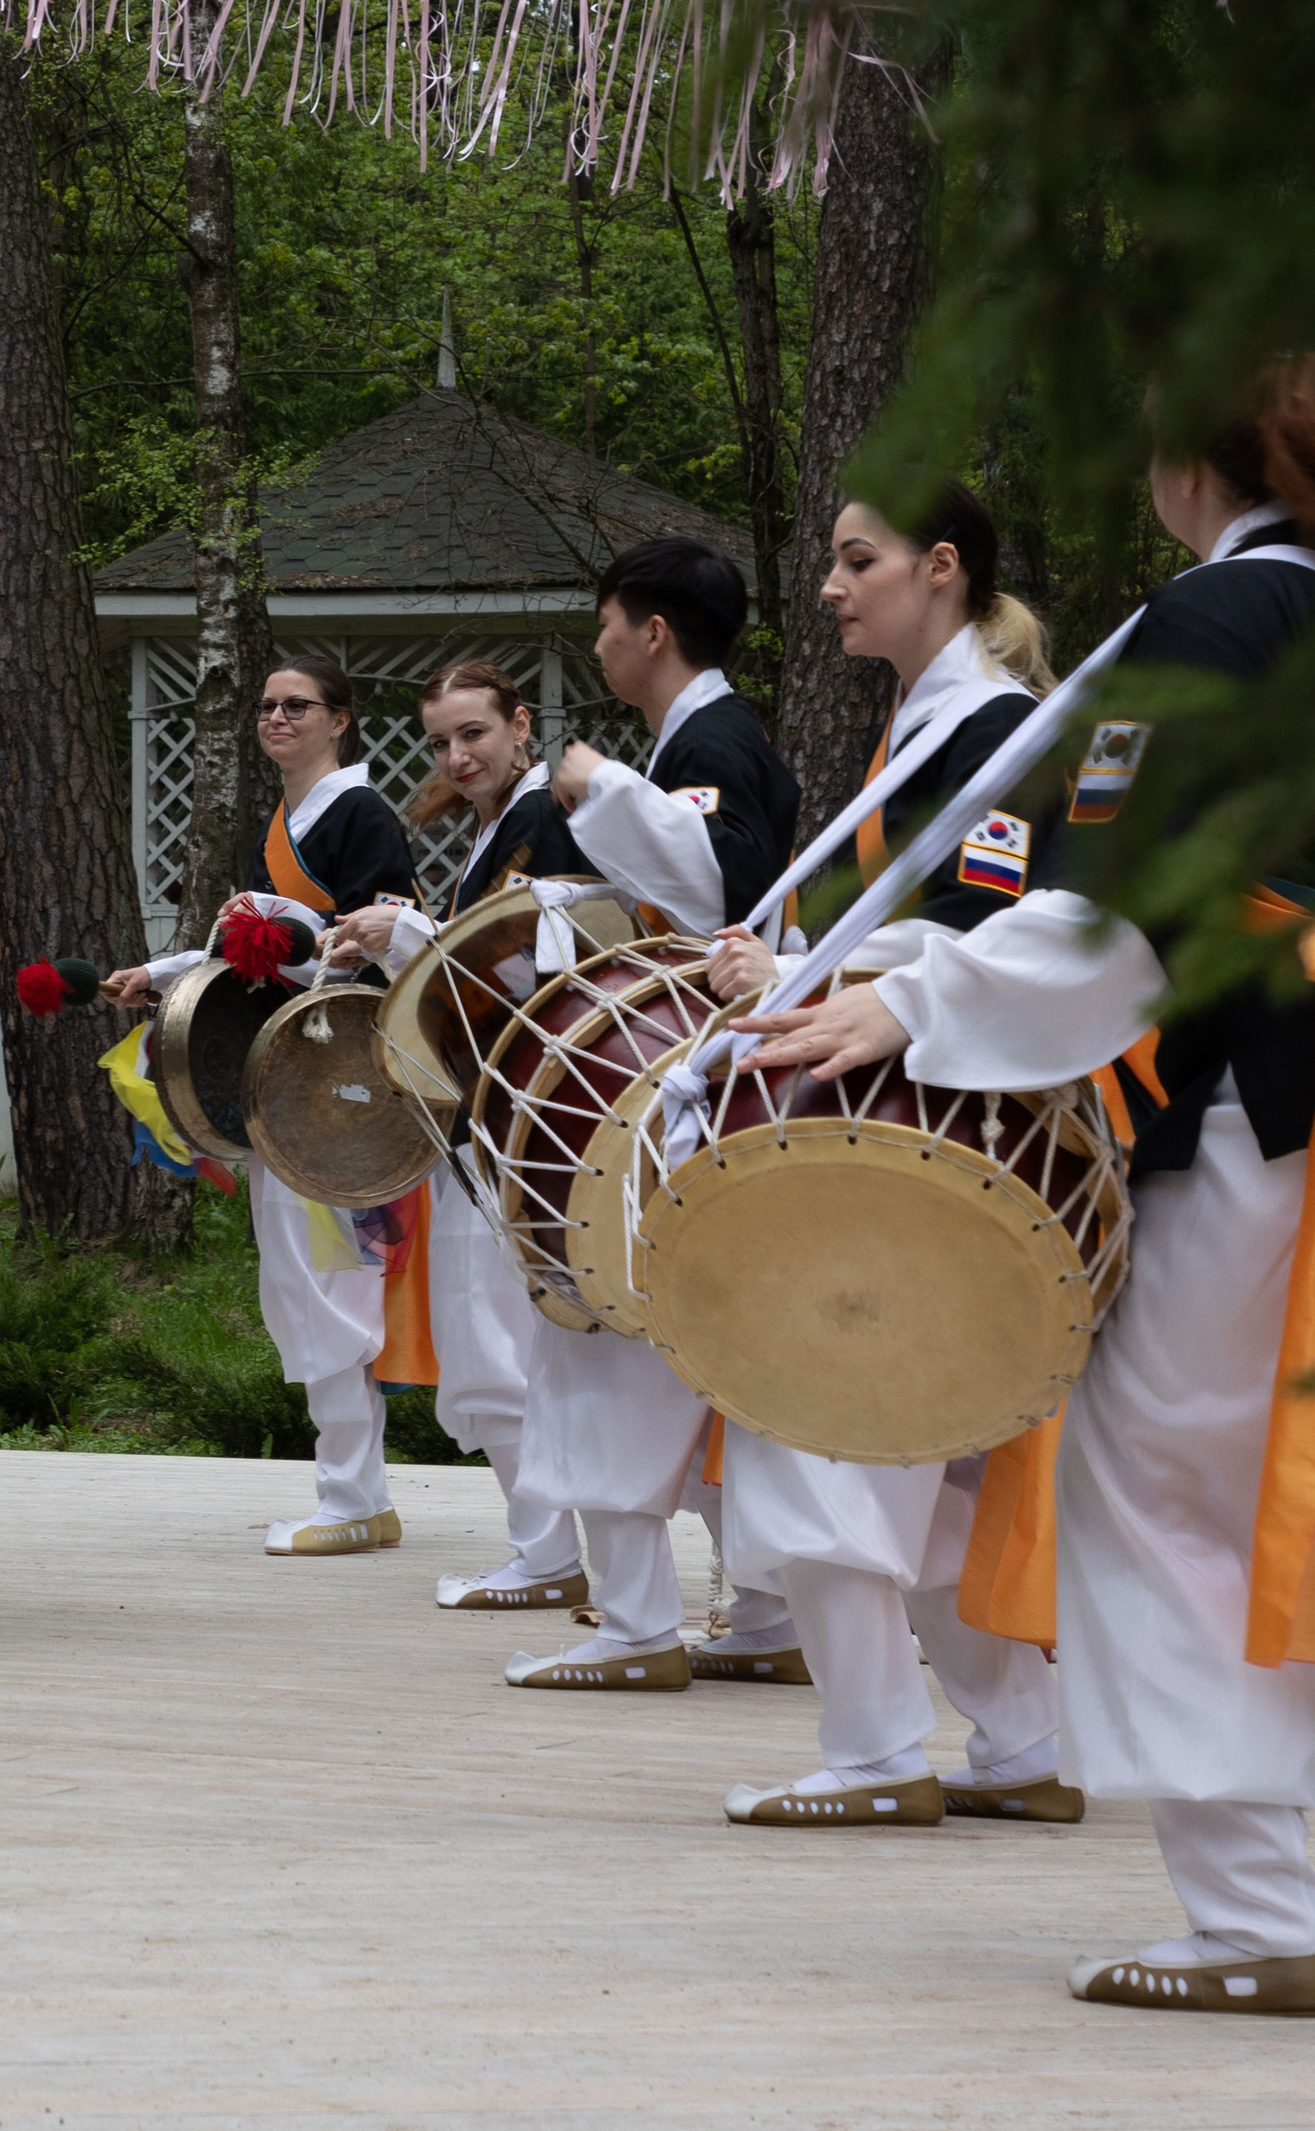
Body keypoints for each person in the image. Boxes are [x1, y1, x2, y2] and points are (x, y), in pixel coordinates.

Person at [731, 377, 1315, 2007]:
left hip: (1251, 1097)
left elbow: (1122, 904)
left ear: (1191, 460)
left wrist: (912, 1003)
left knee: (1168, 1490)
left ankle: (1265, 1913)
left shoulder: (1213, 622)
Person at [701, 481, 1077, 1830]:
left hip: (926, 1125)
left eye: (858, 560)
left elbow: (1009, 923)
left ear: (944, 566)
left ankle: (872, 1753)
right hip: (911, 1118)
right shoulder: (932, 727)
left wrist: (814, 963)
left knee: (835, 1418)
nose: (830, 585)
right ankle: (1022, 1739)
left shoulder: (994, 731)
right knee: (936, 1442)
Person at [497, 537, 801, 1692]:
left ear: (654, 630)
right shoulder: (702, 741)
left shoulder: (710, 743)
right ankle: (766, 1612)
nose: (598, 641)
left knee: (609, 1336)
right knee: (708, 1342)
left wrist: (605, 792)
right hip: (682, 1071)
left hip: (664, 1082)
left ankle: (634, 1621)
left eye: (607, 621)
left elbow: (719, 895)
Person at [103, 658, 427, 1559]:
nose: (278, 717)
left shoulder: (361, 816)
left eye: (298, 706)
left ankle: (356, 1495)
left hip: (333, 1076)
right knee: (298, 1277)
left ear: (341, 720)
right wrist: (164, 975)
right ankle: (353, 1491)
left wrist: (289, 937)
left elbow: (376, 939)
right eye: (268, 706)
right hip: (282, 1072)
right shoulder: (287, 821)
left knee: (326, 1277)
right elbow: (253, 945)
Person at [323, 660, 584, 1609]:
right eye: (440, 741)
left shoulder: (543, 819)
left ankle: (550, 1555)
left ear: (520, 725)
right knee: (496, 1343)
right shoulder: (499, 829)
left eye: (474, 733)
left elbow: (536, 968)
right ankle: (546, 1548)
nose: (457, 755)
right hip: (492, 1108)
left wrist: (404, 937)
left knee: (497, 1343)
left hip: (524, 1110)